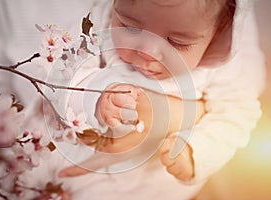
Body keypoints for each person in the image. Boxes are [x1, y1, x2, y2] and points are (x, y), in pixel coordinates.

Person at [57, 0, 266, 199]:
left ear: (217, 34)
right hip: (71, 169)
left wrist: (196, 152)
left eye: (177, 42)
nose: (148, 52)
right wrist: (97, 93)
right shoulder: (97, 22)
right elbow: (65, 73)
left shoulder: (224, 70)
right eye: (130, 28)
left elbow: (237, 114)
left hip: (151, 186)